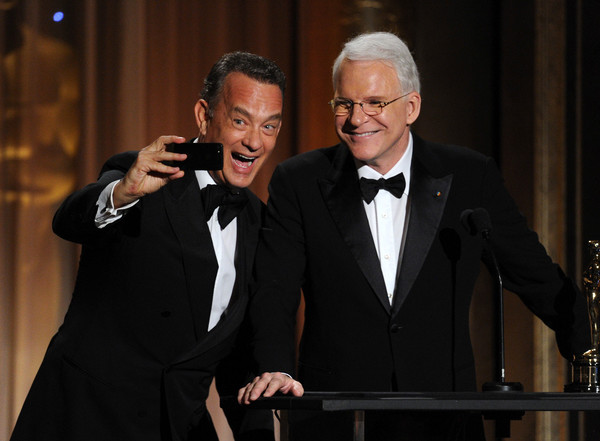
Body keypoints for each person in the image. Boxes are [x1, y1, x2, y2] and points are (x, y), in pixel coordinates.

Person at [238, 32, 591, 440]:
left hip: (444, 419)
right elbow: (273, 291)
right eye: (345, 104)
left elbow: (535, 276)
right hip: (335, 419)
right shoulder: (298, 181)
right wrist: (275, 368)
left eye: (374, 103)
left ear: (411, 106)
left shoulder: (469, 177)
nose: (356, 119)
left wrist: (590, 352)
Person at [10, 51, 285, 441]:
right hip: (85, 419)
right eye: (240, 121)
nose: (254, 141)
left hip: (179, 425)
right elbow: (69, 220)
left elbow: (237, 356)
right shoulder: (144, 177)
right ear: (204, 115)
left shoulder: (260, 222)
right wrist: (121, 194)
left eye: (269, 127)